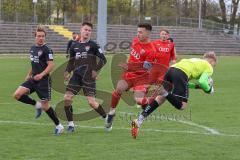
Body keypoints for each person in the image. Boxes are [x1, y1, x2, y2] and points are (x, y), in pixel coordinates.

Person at [131, 51, 217, 139]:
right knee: (182, 106)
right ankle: (164, 92)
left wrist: (198, 87)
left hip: (171, 70)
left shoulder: (196, 61)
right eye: (214, 65)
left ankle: (139, 120)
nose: (213, 67)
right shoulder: (209, 66)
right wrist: (209, 89)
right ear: (212, 61)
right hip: (181, 73)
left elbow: (185, 83)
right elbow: (202, 81)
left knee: (160, 99)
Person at [105, 23, 156, 132]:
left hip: (142, 77)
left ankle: (147, 104)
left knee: (138, 100)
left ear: (148, 33)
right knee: (118, 90)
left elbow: (145, 68)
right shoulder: (135, 41)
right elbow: (133, 56)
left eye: (140, 32)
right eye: (137, 31)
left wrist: (130, 66)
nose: (138, 34)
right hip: (129, 74)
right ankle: (112, 112)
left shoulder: (151, 50)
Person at [13, 25, 64, 135]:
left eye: (43, 36)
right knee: (17, 95)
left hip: (43, 81)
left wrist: (41, 75)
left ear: (45, 37)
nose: (41, 38)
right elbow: (34, 63)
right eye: (39, 36)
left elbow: (51, 65)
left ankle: (59, 126)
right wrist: (29, 74)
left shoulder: (47, 50)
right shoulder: (32, 48)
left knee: (46, 106)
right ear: (35, 36)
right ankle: (37, 105)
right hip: (33, 79)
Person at [64, 22, 107, 133]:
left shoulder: (93, 45)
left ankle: (106, 118)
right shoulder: (74, 45)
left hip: (88, 78)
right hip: (76, 77)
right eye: (85, 29)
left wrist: (95, 70)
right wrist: (68, 71)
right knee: (67, 99)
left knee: (92, 102)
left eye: (89, 30)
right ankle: (71, 125)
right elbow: (71, 61)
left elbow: (103, 59)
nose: (87, 32)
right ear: (81, 30)